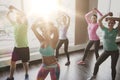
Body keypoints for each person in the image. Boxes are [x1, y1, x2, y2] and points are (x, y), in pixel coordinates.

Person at [87, 12, 120, 80]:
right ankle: (94, 76)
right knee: (97, 63)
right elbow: (99, 20)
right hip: (106, 51)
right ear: (107, 23)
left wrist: (111, 18)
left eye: (112, 23)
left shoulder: (116, 30)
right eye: (109, 22)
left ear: (114, 23)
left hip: (115, 52)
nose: (110, 24)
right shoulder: (104, 29)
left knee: (113, 67)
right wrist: (107, 14)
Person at [6, 5, 30, 80]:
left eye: (18, 17)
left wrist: (15, 8)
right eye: (16, 17)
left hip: (24, 48)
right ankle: (11, 77)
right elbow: (7, 17)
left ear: (21, 18)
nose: (16, 18)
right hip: (16, 48)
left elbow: (24, 14)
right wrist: (9, 12)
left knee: (24, 63)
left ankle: (26, 73)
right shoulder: (15, 24)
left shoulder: (25, 24)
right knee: (12, 62)